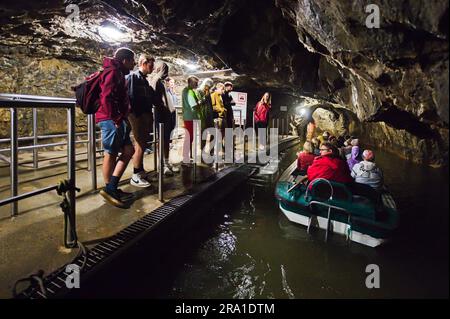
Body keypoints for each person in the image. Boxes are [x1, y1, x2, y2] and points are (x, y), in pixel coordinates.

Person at [96, 47, 136, 208]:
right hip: (110, 119)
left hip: (118, 119)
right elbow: (106, 98)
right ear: (125, 60)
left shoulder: (118, 73)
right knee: (110, 153)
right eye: (132, 60)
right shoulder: (112, 72)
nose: (134, 63)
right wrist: (117, 118)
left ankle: (111, 186)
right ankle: (109, 189)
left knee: (128, 151)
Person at [126, 54, 154, 188]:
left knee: (142, 143)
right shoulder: (134, 77)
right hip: (137, 115)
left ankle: (140, 170)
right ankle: (135, 175)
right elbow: (131, 97)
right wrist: (139, 116)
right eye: (151, 64)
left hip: (143, 114)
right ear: (143, 63)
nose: (153, 67)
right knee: (140, 143)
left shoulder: (143, 79)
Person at [149, 61, 179, 176]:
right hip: (162, 114)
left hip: (166, 113)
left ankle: (166, 162)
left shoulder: (160, 81)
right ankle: (162, 164)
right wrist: (164, 108)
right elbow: (157, 100)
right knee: (163, 140)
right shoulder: (156, 81)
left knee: (166, 140)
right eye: (165, 69)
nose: (166, 72)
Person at [181, 76, 200, 163]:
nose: (197, 84)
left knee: (189, 138)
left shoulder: (188, 91)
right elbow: (194, 105)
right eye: (196, 83)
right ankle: (185, 158)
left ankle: (187, 157)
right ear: (191, 83)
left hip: (189, 117)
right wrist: (201, 101)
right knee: (189, 138)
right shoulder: (189, 91)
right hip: (190, 117)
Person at [196, 78, 214, 152]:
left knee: (212, 133)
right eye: (208, 86)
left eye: (210, 87)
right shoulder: (199, 91)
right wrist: (205, 97)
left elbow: (210, 104)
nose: (208, 88)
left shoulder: (208, 92)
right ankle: (202, 149)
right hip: (203, 116)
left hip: (209, 116)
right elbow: (198, 102)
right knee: (203, 133)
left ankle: (211, 149)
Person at [211, 82, 226, 150]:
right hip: (217, 118)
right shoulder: (213, 95)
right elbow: (213, 106)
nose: (223, 91)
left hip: (222, 117)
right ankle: (215, 150)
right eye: (222, 89)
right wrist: (221, 110)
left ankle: (219, 148)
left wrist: (223, 110)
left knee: (223, 133)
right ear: (218, 88)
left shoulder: (220, 96)